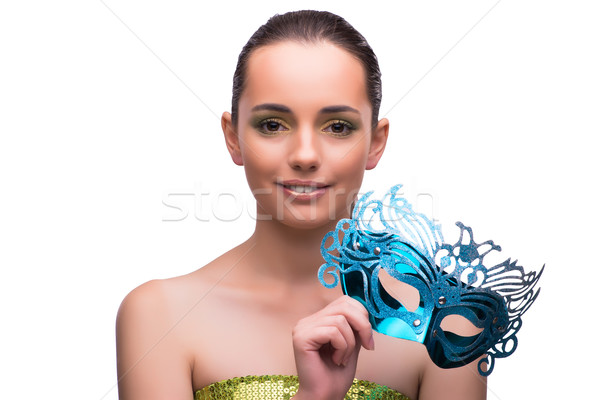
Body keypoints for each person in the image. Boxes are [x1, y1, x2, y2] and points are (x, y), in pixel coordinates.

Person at [116, 10, 487, 400]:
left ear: (376, 142)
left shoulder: (448, 327)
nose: (305, 155)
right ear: (233, 138)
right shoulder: (159, 317)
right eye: (273, 125)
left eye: (338, 127)